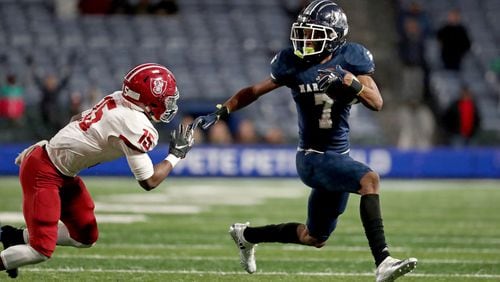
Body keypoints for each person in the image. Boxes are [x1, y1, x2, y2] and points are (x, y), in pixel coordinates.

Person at [193, 1, 417, 281]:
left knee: (314, 237)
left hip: (338, 157)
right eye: (304, 33)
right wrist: (223, 109)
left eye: (314, 34)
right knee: (369, 179)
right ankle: (383, 261)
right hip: (312, 157)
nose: (306, 40)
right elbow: (254, 90)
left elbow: (376, 102)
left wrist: (349, 80)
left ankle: (246, 235)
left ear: (334, 36)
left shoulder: (352, 58)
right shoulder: (292, 62)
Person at [0, 63, 195, 278]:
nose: (169, 105)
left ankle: (14, 237)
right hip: (44, 172)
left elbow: (76, 120)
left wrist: (54, 147)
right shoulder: (133, 122)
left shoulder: (120, 99)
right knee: (40, 250)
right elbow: (148, 181)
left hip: (60, 170)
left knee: (85, 235)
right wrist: (176, 155)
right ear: (150, 99)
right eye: (166, 99)